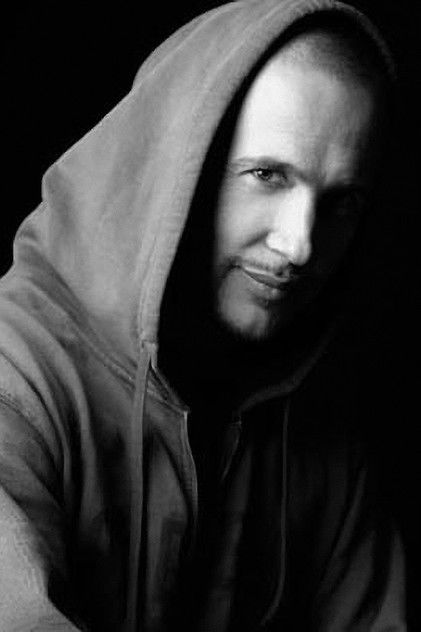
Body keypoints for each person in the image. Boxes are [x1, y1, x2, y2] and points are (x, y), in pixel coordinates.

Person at [0, 0, 405, 630]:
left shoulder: (320, 427)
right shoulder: (15, 378)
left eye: (340, 201)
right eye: (266, 175)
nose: (300, 244)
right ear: (176, 166)